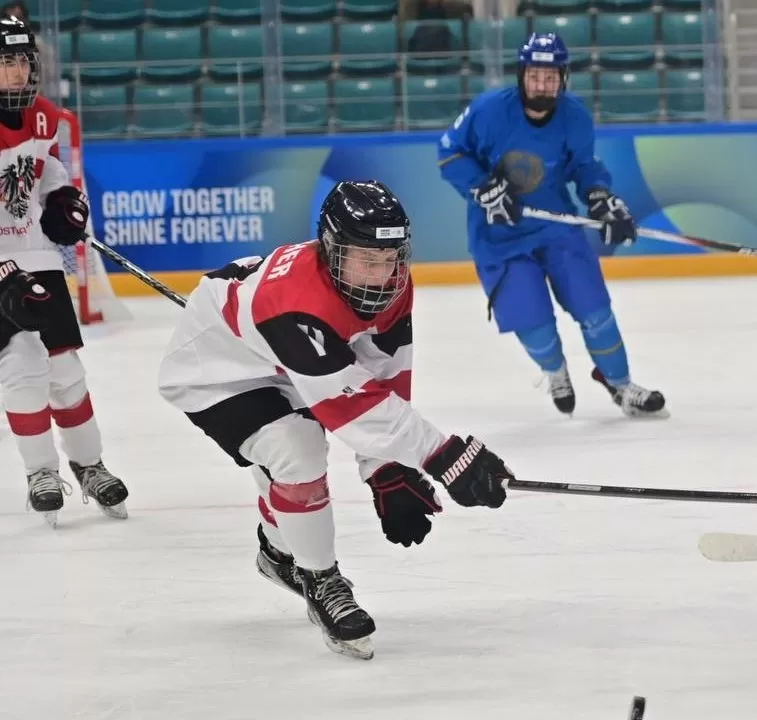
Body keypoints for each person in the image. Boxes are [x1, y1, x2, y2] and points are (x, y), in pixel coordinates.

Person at [157, 180, 516, 660]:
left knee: (294, 465)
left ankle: (277, 552)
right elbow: (353, 408)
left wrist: (387, 470)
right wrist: (446, 457)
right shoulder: (290, 300)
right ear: (332, 250)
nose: (382, 273)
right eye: (368, 259)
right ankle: (321, 579)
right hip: (219, 373)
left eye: (391, 258)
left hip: (282, 361)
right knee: (297, 448)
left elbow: (382, 379)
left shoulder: (392, 286)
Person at [435, 32, 666, 418]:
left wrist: (599, 197)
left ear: (563, 78)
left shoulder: (575, 117)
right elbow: (449, 152)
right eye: (535, 75)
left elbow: (585, 167)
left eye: (551, 76)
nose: (542, 84)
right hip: (499, 237)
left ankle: (621, 385)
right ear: (522, 75)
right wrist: (483, 187)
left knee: (595, 311)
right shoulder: (489, 110)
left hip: (555, 227)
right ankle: (556, 371)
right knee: (534, 324)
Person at [0, 16, 128, 528]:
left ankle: (90, 465)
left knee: (66, 371)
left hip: (37, 253)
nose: (17, 71)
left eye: (22, 60)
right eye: (6, 61)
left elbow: (47, 170)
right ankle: (40, 472)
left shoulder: (43, 116)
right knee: (22, 371)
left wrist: (62, 200)